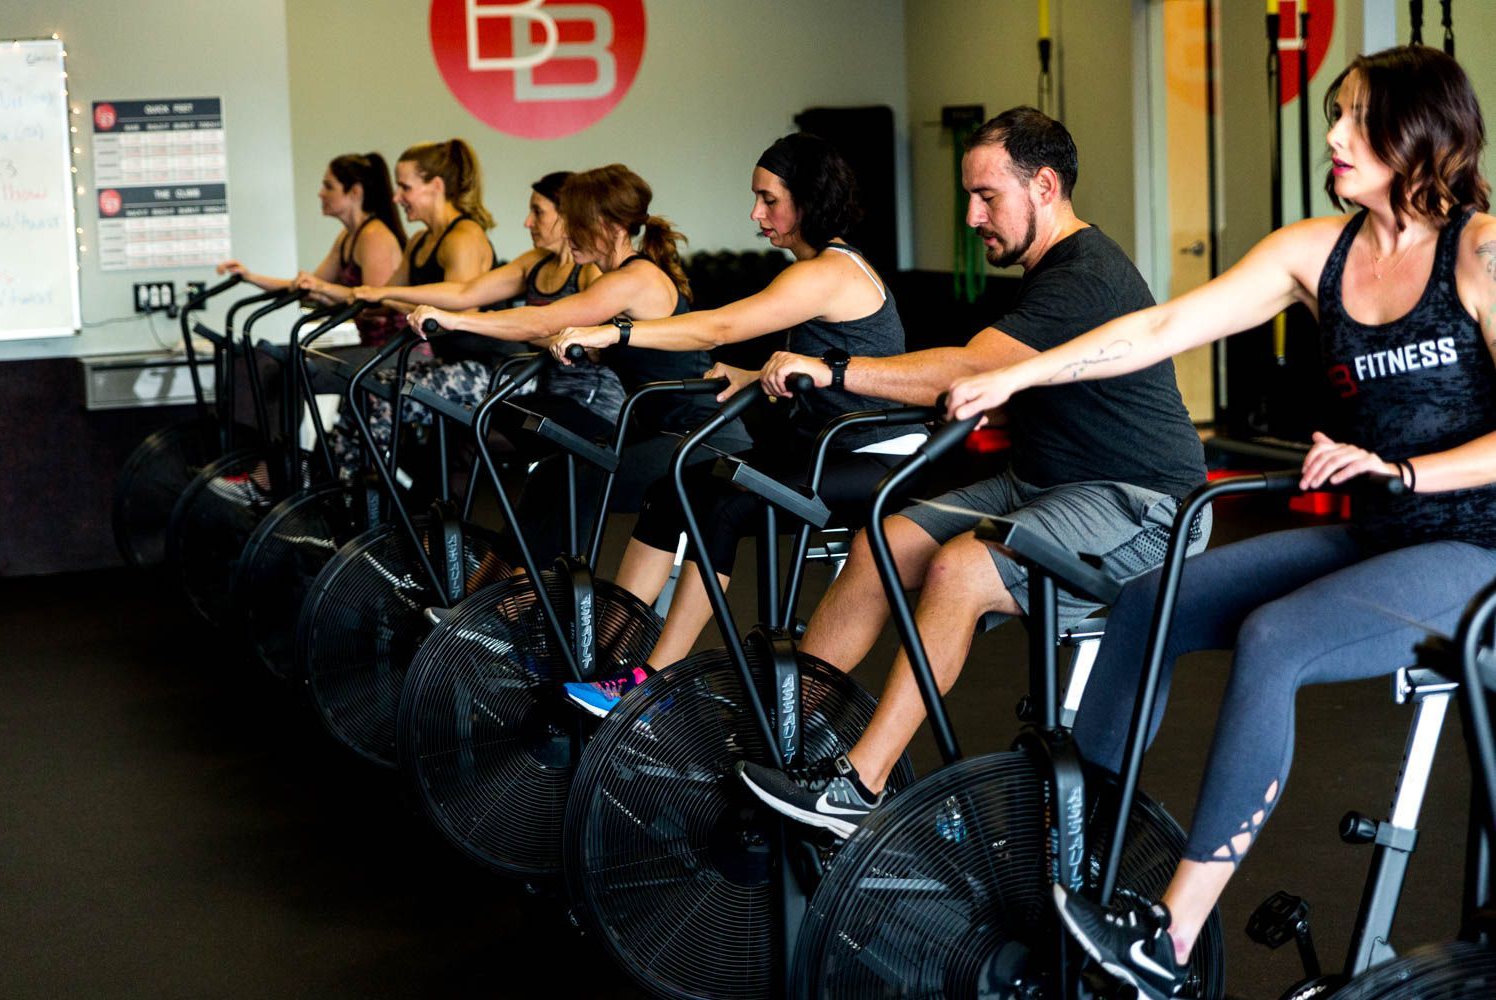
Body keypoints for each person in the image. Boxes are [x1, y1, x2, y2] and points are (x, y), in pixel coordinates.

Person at [940, 47, 1493, 1000]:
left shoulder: (1479, 251)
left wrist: (1405, 469)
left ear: (1416, 132)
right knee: (1149, 603)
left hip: (1473, 548)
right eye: (1335, 116)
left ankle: (1169, 942)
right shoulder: (1314, 252)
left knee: (1273, 638)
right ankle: (1074, 876)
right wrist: (1019, 372)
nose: (1331, 137)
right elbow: (1157, 331)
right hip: (1376, 528)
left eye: (1353, 119)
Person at [736, 107, 1207, 840]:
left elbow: (968, 368)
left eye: (987, 196)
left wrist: (832, 370)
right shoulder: (1045, 271)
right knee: (881, 545)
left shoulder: (1084, 276)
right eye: (969, 196)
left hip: (1143, 508)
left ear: (1044, 186)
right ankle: (777, 739)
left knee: (960, 568)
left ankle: (858, 786)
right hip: (1044, 485)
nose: (971, 215)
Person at [551, 133, 919, 716]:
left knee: (723, 504)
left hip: (879, 463)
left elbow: (715, 327)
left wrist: (613, 332)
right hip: (829, 451)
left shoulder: (827, 272)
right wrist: (752, 377)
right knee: (676, 486)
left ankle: (654, 676)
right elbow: (828, 363)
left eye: (769, 200)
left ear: (809, 200)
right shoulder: (818, 272)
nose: (756, 214)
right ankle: (607, 652)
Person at [406, 164, 742, 561]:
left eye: (575, 222)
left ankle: (523, 604)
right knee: (551, 473)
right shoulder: (616, 278)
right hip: (658, 431)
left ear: (608, 225)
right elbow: (552, 328)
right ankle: (487, 600)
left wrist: (457, 319)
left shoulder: (633, 279)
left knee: (576, 479)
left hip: (703, 438)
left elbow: (546, 318)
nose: (567, 233)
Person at [351, 170, 624, 442]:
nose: (528, 222)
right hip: (545, 391)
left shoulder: (590, 273)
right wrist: (384, 292)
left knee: (468, 424)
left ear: (567, 216)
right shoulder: (535, 262)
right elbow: (465, 291)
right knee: (442, 420)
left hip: (589, 401)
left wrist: (480, 323)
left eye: (538, 212)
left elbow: (568, 336)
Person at [292, 139, 496, 478]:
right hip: (442, 362)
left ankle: (372, 500)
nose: (396, 197)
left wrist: (378, 296)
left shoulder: (465, 237)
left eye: (405, 188)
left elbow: (460, 311)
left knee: (377, 394)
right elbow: (388, 300)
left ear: (436, 186)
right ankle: (344, 495)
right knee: (363, 388)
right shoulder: (419, 241)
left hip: (478, 368)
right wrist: (351, 297)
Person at [218, 152, 407, 347]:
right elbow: (307, 288)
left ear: (355, 192)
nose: (321, 193)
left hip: (394, 353)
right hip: (371, 352)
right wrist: (250, 277)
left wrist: (324, 292)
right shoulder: (347, 237)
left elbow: (374, 309)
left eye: (329, 186)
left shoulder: (374, 236)